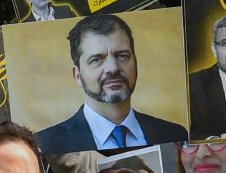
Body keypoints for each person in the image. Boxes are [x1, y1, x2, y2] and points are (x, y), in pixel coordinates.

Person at [36, 16, 188, 154]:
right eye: (96, 59)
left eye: (122, 56)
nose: (113, 68)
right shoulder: (45, 144)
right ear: (77, 75)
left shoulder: (174, 135)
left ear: (135, 64)